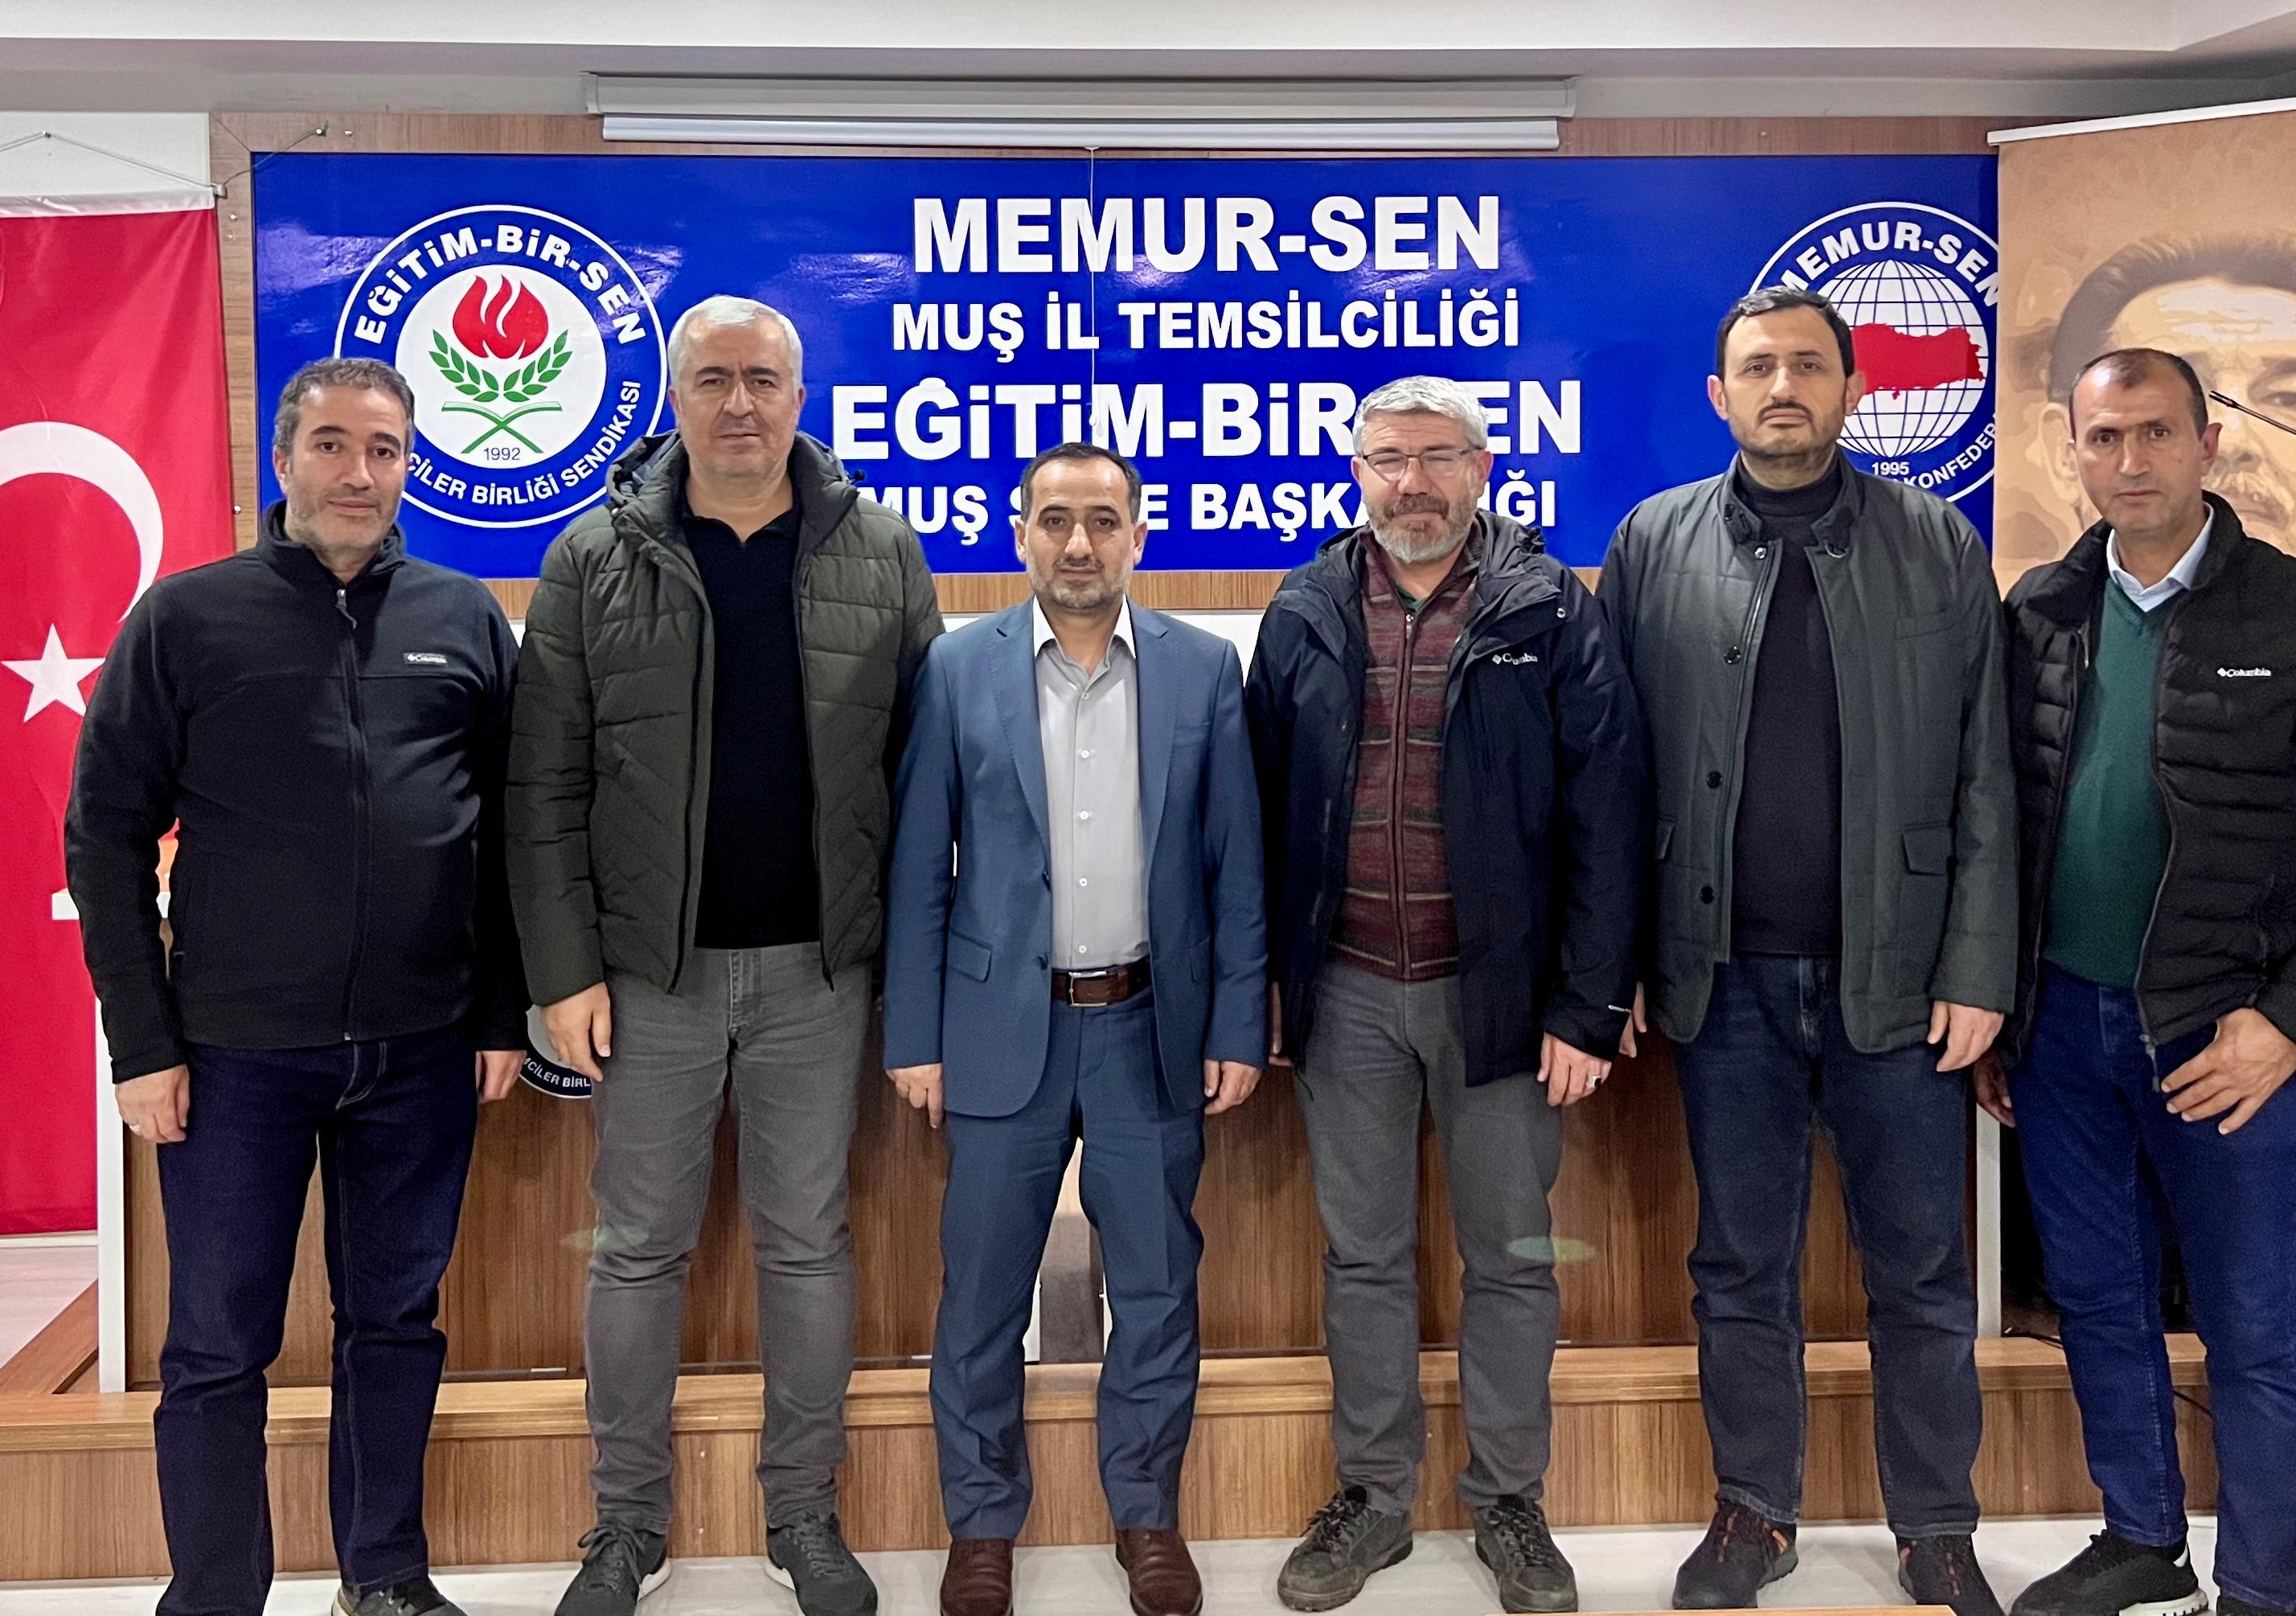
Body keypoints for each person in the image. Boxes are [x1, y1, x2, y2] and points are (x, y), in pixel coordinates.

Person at [66, 356, 529, 1616]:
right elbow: (104, 834)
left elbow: (509, 833)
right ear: (282, 462)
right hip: (234, 1055)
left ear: (408, 466)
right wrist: (140, 1041)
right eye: (331, 444)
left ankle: (382, 1577)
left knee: (396, 1323)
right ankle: (216, 1594)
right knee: (218, 1344)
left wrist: (498, 1012)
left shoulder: (462, 616)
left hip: (422, 1046)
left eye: (382, 450)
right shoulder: (186, 618)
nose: (357, 473)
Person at [508, 296, 943, 1616]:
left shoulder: (879, 548)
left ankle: (801, 1516)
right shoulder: (595, 556)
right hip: (650, 977)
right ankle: (624, 1528)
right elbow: (543, 783)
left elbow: (926, 778)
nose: (739, 402)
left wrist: (912, 976)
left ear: (799, 396)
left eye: (762, 378)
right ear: (677, 396)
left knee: (807, 1245)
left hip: (822, 971)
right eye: (712, 379)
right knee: (636, 1248)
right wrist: (561, 970)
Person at [1597, 288, 2015, 1616]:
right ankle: (1753, 1511)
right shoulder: (1651, 541)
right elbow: (1608, 777)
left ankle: (1934, 1526)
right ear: (1717, 394)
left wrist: (1977, 967)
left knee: (1921, 1269)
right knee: (1738, 1264)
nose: (1782, 386)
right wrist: (1614, 964)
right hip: (1715, 979)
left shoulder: (1936, 541)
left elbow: (1987, 773)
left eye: (1807, 365)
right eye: (1756, 367)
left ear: (1851, 388)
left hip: (1900, 982)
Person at [1990, 347, 2296, 1616]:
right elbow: (1999, 828)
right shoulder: (2039, 609)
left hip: (2224, 1040)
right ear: (2072, 451)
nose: (2128, 460)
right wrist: (2006, 1019)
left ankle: (2256, 1583)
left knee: (2250, 1322)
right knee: (2095, 1300)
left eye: (2154, 433)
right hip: (2061, 1031)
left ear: (2205, 444)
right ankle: (2141, 1540)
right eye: (2103, 436)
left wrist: (2286, 1027)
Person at [1246, 375, 1646, 1615]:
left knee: (1512, 1258)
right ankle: (1372, 1495)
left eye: (1435, 457)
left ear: (1481, 468)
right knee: (1361, 1256)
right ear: (1355, 470)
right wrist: (1266, 982)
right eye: (1386, 458)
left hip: (1502, 1003)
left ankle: (1508, 1500)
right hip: (1345, 992)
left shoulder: (1548, 607)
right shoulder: (1304, 608)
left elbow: (1609, 814)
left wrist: (1586, 1004)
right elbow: (1256, 814)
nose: (1410, 481)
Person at [883, 442, 1265, 1616]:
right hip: (1000, 1027)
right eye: (1055, 521)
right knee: (980, 1296)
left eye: (1102, 520)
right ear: (1020, 536)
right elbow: (919, 865)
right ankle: (980, 1526)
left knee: (1155, 1289)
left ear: (1138, 536)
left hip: (1151, 1025)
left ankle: (1146, 1515)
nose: (1079, 543)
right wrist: (913, 1034)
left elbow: (1236, 864)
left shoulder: (1202, 669)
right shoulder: (957, 667)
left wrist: (1238, 1022)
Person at [2037, 231, 2296, 566]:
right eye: (2167, 400)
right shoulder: (2036, 603)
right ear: (2065, 456)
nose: (2228, 442)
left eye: (2290, 398)